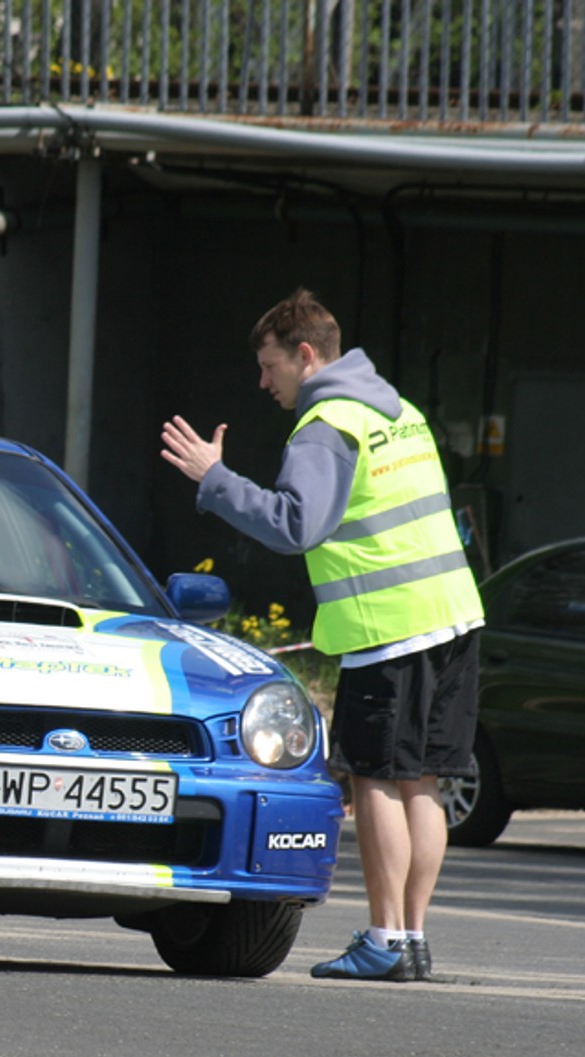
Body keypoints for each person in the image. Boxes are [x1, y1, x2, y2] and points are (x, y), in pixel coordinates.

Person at [159, 288, 483, 982]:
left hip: (388, 629)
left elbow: (293, 525)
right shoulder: (399, 412)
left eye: (270, 366)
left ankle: (384, 941)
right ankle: (413, 938)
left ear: (306, 357)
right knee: (423, 782)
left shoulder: (325, 425)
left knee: (375, 780)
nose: (263, 381)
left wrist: (215, 480)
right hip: (452, 615)